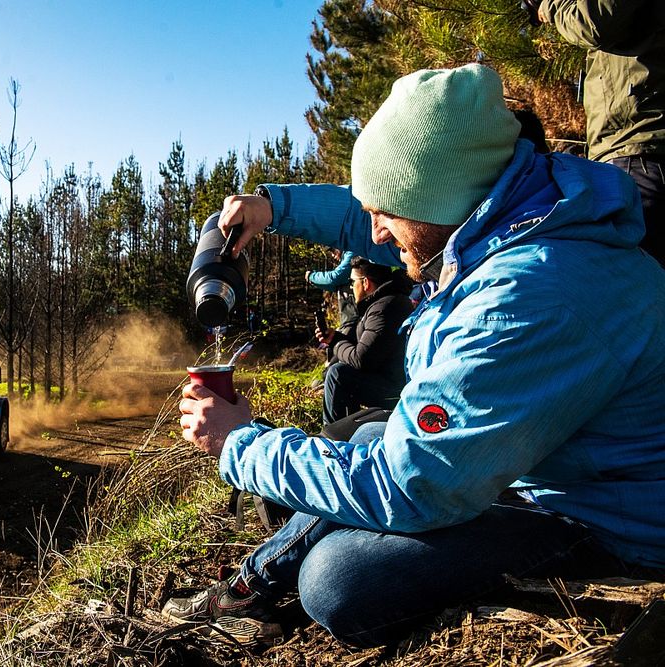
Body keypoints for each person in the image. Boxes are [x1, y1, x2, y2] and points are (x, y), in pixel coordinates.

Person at [167, 63, 665, 647]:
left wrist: (239, 444)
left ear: (441, 200)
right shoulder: (517, 211)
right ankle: (255, 586)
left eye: (388, 214)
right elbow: (384, 210)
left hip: (605, 520)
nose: (373, 235)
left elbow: (409, 485)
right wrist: (273, 209)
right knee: (361, 441)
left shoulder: (530, 299)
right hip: (550, 462)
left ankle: (261, 587)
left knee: (339, 579)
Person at [522, 0, 665, 265]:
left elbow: (593, 22)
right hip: (638, 145)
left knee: (633, 288)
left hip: (638, 145)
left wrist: (549, 5)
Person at [318, 256, 412, 427]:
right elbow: (367, 350)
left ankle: (332, 439)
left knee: (338, 375)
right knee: (341, 372)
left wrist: (336, 343)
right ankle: (347, 430)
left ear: (366, 283)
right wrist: (336, 338)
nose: (352, 287)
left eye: (353, 282)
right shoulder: (385, 303)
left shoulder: (383, 309)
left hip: (395, 390)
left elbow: (362, 360)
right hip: (389, 379)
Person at [306, 250, 357, 325]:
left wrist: (312, 276)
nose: (333, 255)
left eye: (332, 250)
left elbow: (335, 278)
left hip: (356, 316)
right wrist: (313, 280)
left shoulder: (351, 253)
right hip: (350, 316)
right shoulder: (345, 258)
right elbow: (334, 286)